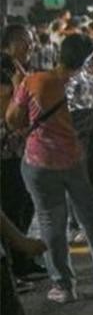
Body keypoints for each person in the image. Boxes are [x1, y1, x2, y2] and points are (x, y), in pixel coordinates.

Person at [5, 33, 93, 303]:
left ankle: (64, 287)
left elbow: (13, 120)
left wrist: (16, 87)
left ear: (60, 53)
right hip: (78, 161)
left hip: (40, 161)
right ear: (85, 58)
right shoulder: (88, 86)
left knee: (50, 220)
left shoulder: (34, 81)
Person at [0, 25, 44, 285]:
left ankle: (21, 261)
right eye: (26, 40)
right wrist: (19, 87)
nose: (31, 45)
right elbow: (9, 101)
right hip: (5, 149)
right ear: (12, 42)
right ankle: (15, 266)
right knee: (13, 204)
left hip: (18, 146)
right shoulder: (4, 66)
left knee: (25, 201)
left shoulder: (17, 66)